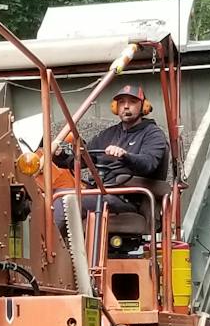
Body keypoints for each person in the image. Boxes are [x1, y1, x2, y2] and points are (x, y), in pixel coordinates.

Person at [54, 85, 170, 244]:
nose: (126, 106)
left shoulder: (153, 134)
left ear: (144, 106)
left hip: (126, 198)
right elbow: (83, 159)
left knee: (65, 199)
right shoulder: (109, 134)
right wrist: (59, 156)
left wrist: (125, 156)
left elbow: (149, 163)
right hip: (101, 192)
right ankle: (61, 252)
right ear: (116, 108)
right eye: (121, 102)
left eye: (132, 102)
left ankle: (51, 252)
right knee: (55, 194)